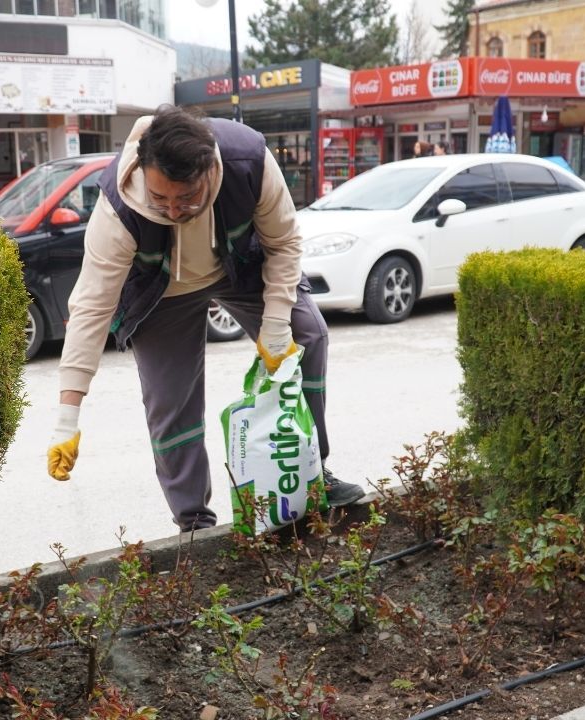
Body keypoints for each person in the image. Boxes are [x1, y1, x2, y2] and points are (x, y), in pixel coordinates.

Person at [45, 105, 366, 531]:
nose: (173, 211)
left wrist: (275, 328)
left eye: (186, 199)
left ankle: (312, 475)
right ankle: (194, 523)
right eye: (160, 199)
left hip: (240, 268)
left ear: (210, 172)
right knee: (169, 400)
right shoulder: (118, 208)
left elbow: (285, 243)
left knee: (308, 334)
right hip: (161, 291)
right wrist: (67, 418)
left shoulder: (247, 160)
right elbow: (91, 306)